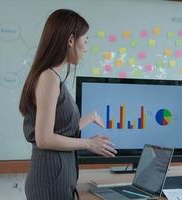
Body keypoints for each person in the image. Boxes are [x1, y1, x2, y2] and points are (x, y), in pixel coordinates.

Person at [19, 9, 117, 200]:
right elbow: (44, 138)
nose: (86, 48)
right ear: (71, 40)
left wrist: (88, 119)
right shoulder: (49, 77)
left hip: (56, 180)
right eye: (86, 40)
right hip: (50, 182)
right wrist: (89, 143)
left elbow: (59, 130)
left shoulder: (52, 76)